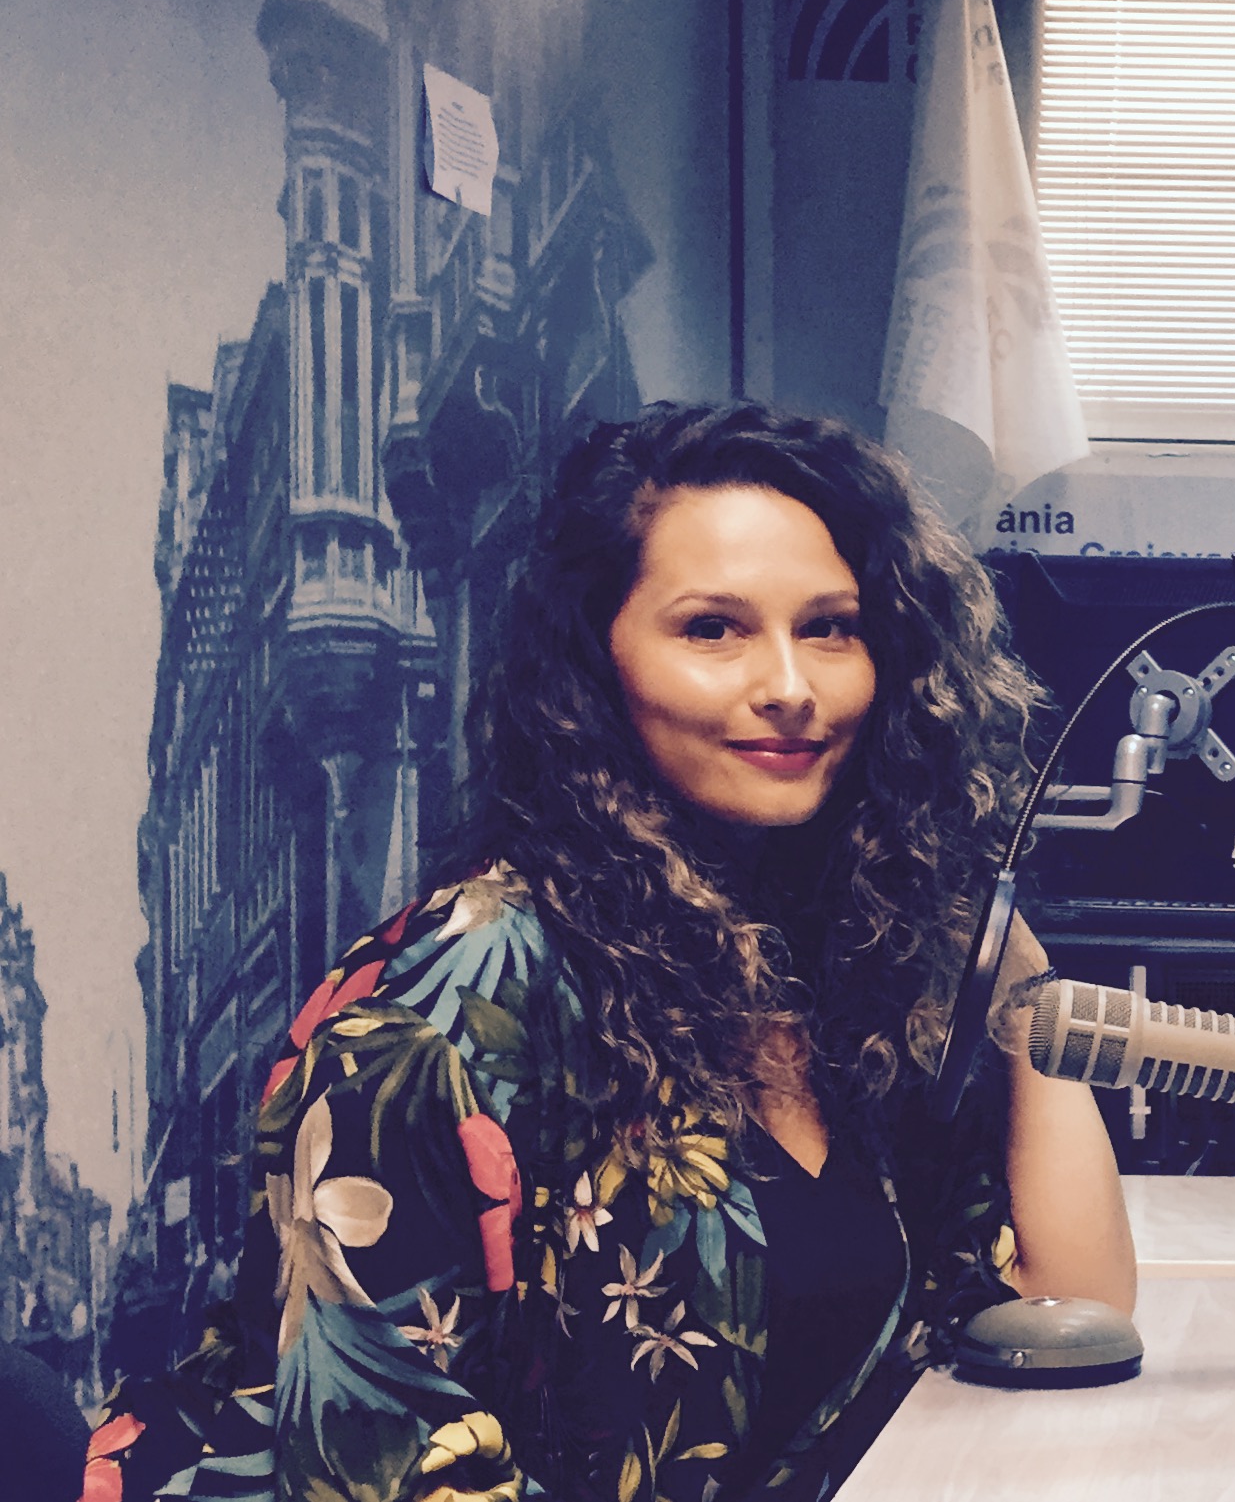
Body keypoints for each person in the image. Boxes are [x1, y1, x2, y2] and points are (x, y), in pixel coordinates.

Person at [87, 403, 1134, 1502]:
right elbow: (376, 1474)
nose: (791, 684)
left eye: (832, 627)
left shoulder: (838, 955)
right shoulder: (445, 1000)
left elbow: (1068, 1312)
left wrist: (989, 922)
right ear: (597, 661)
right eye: (712, 628)